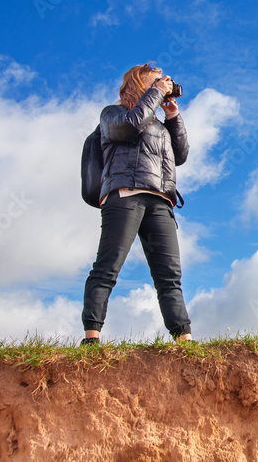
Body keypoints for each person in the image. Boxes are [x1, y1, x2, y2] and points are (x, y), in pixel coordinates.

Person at [81, 62, 193, 345]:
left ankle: (184, 339)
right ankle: (91, 337)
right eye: (157, 81)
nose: (164, 86)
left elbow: (180, 155)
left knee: (169, 275)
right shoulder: (112, 114)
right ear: (139, 84)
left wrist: (173, 117)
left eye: (164, 82)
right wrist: (155, 93)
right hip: (124, 196)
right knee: (107, 267)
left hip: (160, 200)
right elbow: (129, 127)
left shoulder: (156, 122)